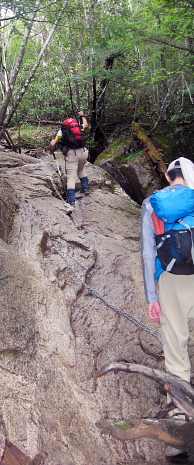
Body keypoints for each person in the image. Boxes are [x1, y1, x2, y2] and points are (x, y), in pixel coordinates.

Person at [141, 157, 194, 460]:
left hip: (171, 281)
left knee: (175, 346)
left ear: (167, 175)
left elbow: (149, 253)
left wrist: (152, 296)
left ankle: (179, 428)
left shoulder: (153, 203)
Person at [49, 111, 89, 206]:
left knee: (71, 176)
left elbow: (52, 143)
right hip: (84, 151)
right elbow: (86, 125)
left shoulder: (61, 131)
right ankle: (86, 188)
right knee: (81, 169)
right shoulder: (78, 128)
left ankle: (71, 200)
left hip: (72, 153)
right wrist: (82, 115)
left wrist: (51, 150)